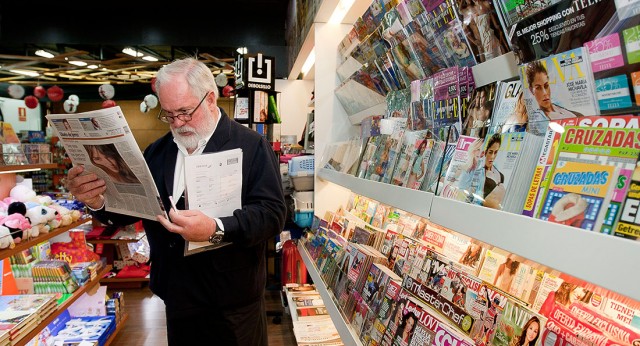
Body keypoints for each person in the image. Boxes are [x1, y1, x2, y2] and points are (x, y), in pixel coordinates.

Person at [66, 57, 286, 345]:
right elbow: (131, 210)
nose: (178, 123)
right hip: (178, 298)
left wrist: (216, 228)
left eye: (184, 111)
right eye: (169, 114)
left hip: (233, 302)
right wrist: (95, 200)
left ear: (210, 99)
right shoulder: (158, 152)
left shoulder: (251, 145)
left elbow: (272, 214)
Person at [526, 61, 583, 136]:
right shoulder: (539, 122)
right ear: (531, 90)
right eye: (538, 88)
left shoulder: (561, 105)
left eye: (546, 86)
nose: (545, 93)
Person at [482, 133, 505, 209]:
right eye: (490, 152)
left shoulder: (498, 173)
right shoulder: (479, 172)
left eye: (495, 152)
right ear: (485, 152)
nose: (492, 156)